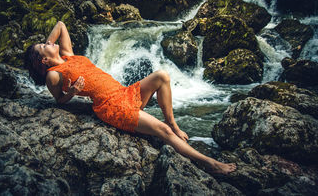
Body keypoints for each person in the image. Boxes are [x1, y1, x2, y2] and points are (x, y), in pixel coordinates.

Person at [24, 21, 236, 174]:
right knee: (162, 132)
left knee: (162, 76)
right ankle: (209, 163)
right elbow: (59, 101)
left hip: (124, 92)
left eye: (47, 41)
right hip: (111, 107)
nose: (48, 42)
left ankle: (173, 122)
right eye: (44, 46)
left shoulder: (68, 55)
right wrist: (71, 91)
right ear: (42, 61)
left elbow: (60, 25)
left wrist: (48, 47)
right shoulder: (54, 75)